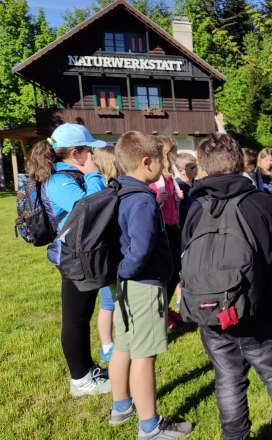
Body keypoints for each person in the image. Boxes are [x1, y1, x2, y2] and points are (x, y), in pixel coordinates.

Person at [182, 132, 272, 440]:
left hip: (212, 313)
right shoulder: (260, 204)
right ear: (241, 162)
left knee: (228, 379)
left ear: (202, 165)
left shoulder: (195, 206)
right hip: (260, 313)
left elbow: (185, 255)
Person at [109, 131, 191, 438]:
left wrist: (122, 274)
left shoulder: (121, 190)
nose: (164, 165)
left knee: (125, 345)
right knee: (145, 355)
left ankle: (121, 407)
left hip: (126, 285)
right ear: (147, 162)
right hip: (142, 283)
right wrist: (128, 270)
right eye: (161, 160)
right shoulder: (143, 199)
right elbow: (141, 249)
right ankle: (150, 426)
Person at [25, 123, 111, 396]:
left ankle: (87, 368)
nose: (92, 156)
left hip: (79, 255)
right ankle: (80, 380)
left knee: (81, 316)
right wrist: (94, 176)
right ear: (76, 153)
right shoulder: (60, 180)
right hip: (72, 258)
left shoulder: (67, 175)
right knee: (74, 319)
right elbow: (92, 206)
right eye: (89, 151)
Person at [148, 136, 184, 330]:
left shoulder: (169, 175)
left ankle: (165, 308)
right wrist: (158, 199)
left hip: (173, 227)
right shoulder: (156, 177)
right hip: (162, 230)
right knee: (166, 273)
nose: (175, 155)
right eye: (173, 151)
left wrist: (177, 197)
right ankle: (159, 314)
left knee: (175, 272)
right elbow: (149, 201)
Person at [92, 146, 121, 363]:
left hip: (114, 253)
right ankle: (107, 345)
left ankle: (116, 341)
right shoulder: (104, 190)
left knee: (114, 300)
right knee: (108, 303)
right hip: (106, 255)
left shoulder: (112, 187)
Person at [174, 152, 198, 228]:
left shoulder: (199, 185)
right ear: (181, 171)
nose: (196, 170)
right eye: (192, 168)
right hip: (184, 228)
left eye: (196, 167)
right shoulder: (176, 187)